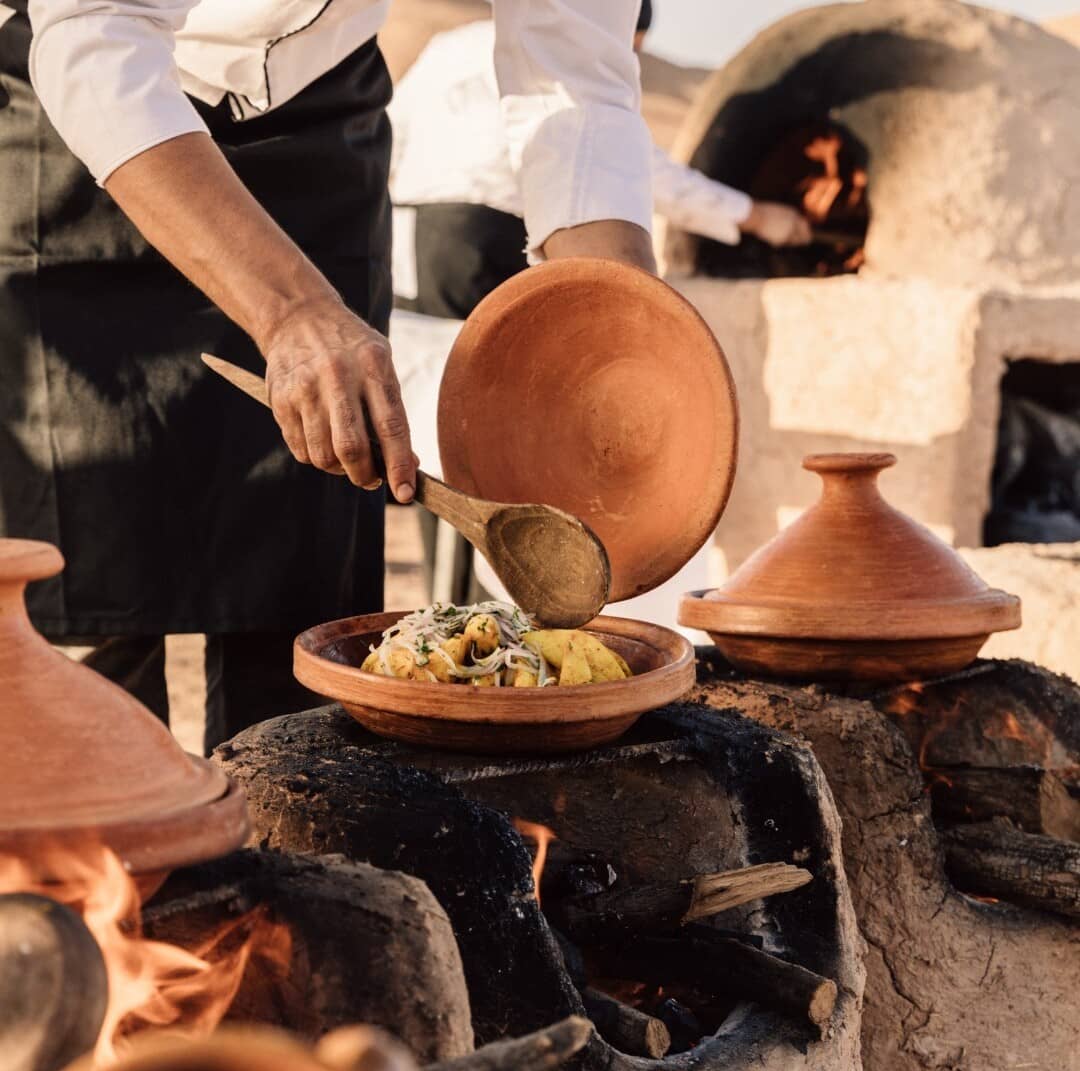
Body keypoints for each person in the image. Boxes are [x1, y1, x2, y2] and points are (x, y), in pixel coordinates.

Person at [1, 0, 658, 751]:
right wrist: (291, 312)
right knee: (88, 601)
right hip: (87, 121)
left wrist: (618, 336)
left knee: (305, 631)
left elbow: (574, 84)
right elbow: (95, 31)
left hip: (317, 131)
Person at [390, 2, 812, 320]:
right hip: (486, 236)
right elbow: (626, 166)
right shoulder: (564, 52)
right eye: (633, 50)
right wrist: (753, 216)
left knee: (437, 377)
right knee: (505, 389)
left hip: (409, 235)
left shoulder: (448, 47)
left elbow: (394, 134)